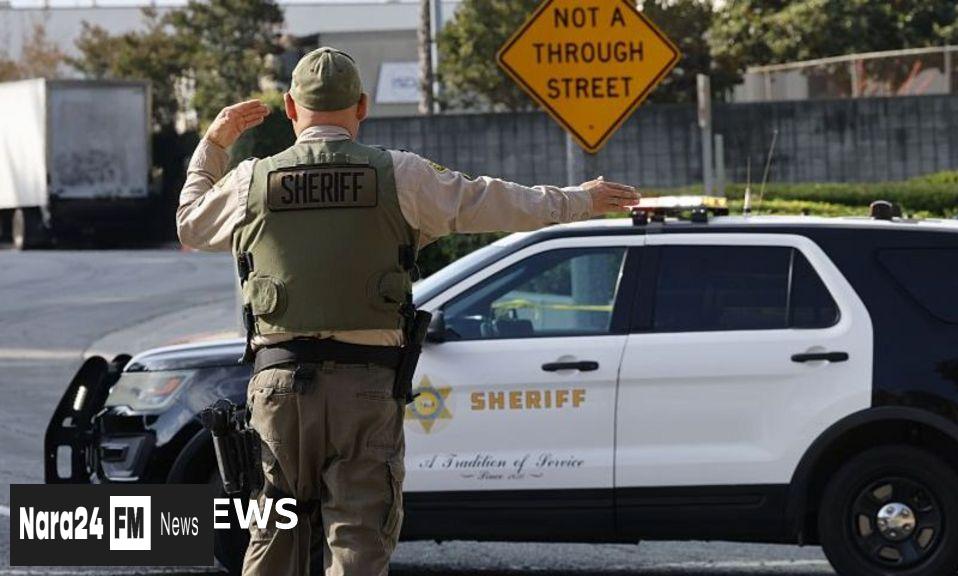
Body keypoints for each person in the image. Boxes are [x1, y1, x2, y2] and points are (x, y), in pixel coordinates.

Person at [176, 47, 639, 576]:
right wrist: (578, 200)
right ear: (363, 107)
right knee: (358, 535)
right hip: (366, 388)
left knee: (275, 530)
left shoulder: (251, 180)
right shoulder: (402, 176)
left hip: (279, 389)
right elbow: (494, 201)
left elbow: (189, 223)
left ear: (289, 107)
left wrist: (214, 143)